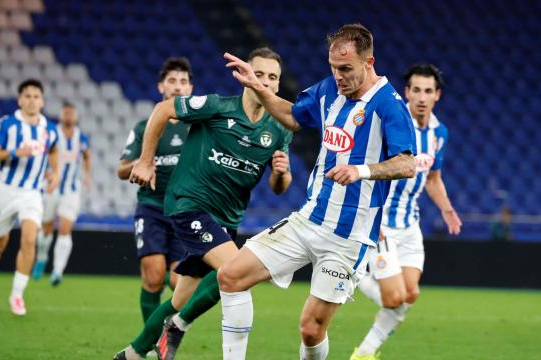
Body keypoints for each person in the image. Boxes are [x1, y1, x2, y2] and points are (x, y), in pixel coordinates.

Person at [218, 23, 417, 360]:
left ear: (369, 63)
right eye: (333, 68)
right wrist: (260, 89)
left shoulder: (389, 105)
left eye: (345, 69)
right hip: (308, 220)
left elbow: (407, 164)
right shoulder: (328, 91)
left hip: (349, 238)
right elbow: (293, 117)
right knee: (231, 276)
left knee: (311, 329)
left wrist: (361, 170)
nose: (338, 76)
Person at [115, 47, 293, 360]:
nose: (265, 81)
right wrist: (145, 161)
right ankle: (179, 326)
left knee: (179, 299)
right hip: (189, 205)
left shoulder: (279, 129)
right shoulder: (217, 107)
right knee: (239, 271)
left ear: (278, 85)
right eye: (260, 73)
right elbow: (163, 110)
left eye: (272, 77)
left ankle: (131, 354)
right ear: (245, 78)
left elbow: (279, 187)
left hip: (226, 219)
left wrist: (281, 173)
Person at [351, 63, 463, 360]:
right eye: (416, 90)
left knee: (409, 295)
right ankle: (354, 272)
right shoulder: (395, 126)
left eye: (428, 91)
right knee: (393, 298)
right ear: (407, 92)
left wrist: (447, 209)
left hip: (410, 226)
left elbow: (433, 178)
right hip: (383, 223)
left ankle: (364, 353)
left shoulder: (440, 133)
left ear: (437, 95)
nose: (422, 97)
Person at [117, 57, 193, 324]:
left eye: (183, 81)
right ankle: (151, 340)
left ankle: (170, 331)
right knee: (152, 276)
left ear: (190, 89)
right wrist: (143, 163)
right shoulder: (144, 127)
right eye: (172, 81)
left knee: (177, 282)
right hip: (151, 207)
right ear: (161, 86)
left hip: (184, 210)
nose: (177, 86)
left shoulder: (197, 127)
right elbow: (122, 169)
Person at [0, 79, 59, 316]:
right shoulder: (8, 125)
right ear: (20, 100)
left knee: (30, 239)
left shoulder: (49, 129)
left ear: (42, 101)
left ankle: (17, 295)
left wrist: (55, 173)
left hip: (32, 193)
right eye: (28, 96)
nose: (32, 100)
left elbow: (54, 149)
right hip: (5, 192)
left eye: (36, 96)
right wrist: (15, 152)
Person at [32, 102, 90, 286]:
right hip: (51, 186)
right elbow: (39, 153)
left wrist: (87, 175)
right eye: (65, 113)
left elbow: (87, 155)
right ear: (61, 115)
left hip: (71, 189)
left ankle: (57, 271)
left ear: (76, 116)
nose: (69, 116)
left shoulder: (82, 137)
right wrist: (45, 172)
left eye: (71, 113)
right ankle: (41, 258)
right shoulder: (51, 133)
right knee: (47, 228)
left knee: (65, 229)